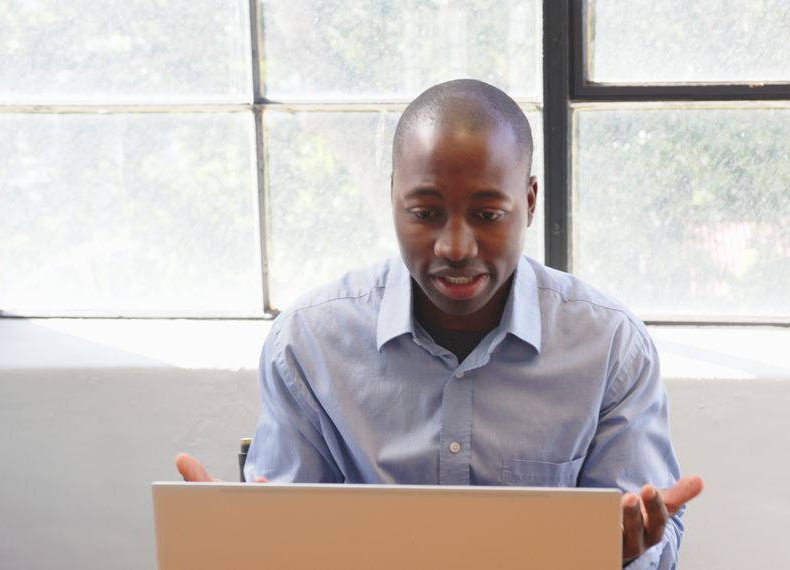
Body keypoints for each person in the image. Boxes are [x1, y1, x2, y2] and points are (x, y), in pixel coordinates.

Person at [176, 78, 703, 568]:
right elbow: (288, 540)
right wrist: (235, 536)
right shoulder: (308, 344)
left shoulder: (609, 346)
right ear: (393, 200)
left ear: (530, 201)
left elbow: (650, 536)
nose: (455, 247)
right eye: (425, 213)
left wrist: (628, 554)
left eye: (488, 214)